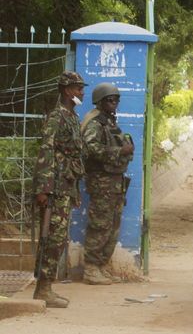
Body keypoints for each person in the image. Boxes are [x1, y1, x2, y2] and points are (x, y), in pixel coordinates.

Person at [32, 71, 87, 308]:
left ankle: (46, 288)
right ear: (67, 91)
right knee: (51, 238)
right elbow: (46, 151)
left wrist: (73, 190)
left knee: (58, 237)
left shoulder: (72, 117)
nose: (81, 93)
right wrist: (43, 189)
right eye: (77, 88)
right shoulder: (57, 117)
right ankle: (43, 289)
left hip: (65, 185)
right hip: (54, 187)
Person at [80, 83, 134, 285]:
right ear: (100, 101)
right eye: (110, 100)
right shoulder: (94, 122)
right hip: (101, 180)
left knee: (113, 225)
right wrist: (119, 152)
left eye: (116, 100)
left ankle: (101, 266)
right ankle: (91, 269)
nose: (115, 103)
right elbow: (90, 149)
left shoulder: (109, 121)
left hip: (114, 180)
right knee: (100, 225)